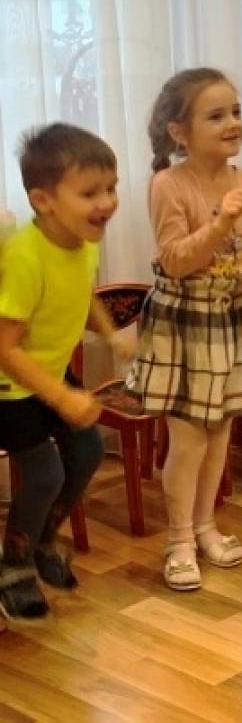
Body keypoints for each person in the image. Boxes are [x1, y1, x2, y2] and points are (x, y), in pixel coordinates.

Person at [128, 69, 242, 591]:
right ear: (180, 132)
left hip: (232, 319)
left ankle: (204, 525)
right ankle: (178, 539)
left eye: (236, 112)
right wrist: (220, 223)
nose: (232, 123)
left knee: (219, 431)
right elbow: (175, 261)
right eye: (216, 115)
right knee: (188, 439)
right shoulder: (168, 184)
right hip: (185, 321)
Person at [0, 124, 122, 619]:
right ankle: (13, 567)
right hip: (9, 389)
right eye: (90, 193)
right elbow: (5, 348)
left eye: (111, 188)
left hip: (46, 373)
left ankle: (41, 540)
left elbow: (81, 293)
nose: (107, 203)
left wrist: (110, 333)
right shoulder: (25, 257)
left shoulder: (83, 239)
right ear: (43, 201)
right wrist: (62, 396)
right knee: (45, 473)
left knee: (88, 450)